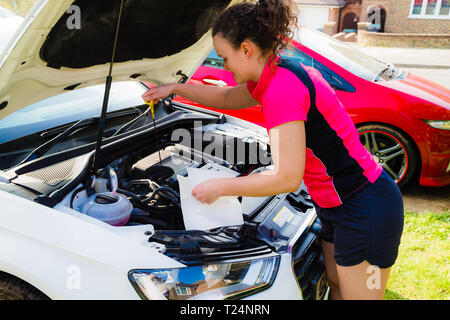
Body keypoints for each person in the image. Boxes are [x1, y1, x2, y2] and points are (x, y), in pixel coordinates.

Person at [142, 0, 404, 300]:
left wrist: (219, 187)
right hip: (338, 205)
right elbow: (226, 97)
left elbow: (286, 179)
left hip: (365, 206)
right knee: (335, 284)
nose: (224, 66)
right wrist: (176, 88)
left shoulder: (282, 89)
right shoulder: (276, 75)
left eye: (225, 57)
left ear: (245, 49)